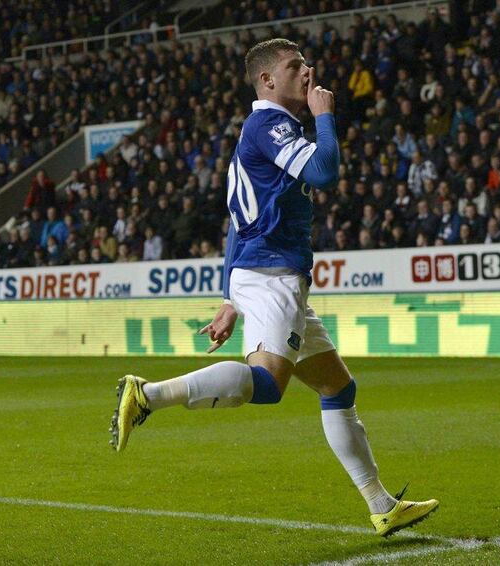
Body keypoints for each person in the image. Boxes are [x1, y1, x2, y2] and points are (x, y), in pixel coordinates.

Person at [109, 38, 437, 537]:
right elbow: (325, 172)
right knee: (266, 387)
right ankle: (149, 394)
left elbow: (236, 223)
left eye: (306, 64)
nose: (306, 72)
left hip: (266, 274)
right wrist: (325, 115)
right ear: (267, 81)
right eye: (294, 66)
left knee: (337, 386)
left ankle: (381, 504)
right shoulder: (270, 124)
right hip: (273, 275)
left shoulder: (263, 134)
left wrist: (228, 298)